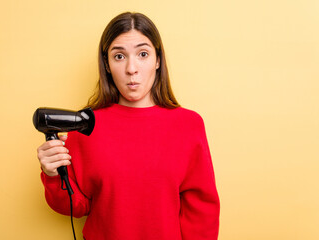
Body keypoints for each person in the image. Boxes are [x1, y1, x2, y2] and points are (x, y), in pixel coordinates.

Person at [37, 12, 220, 240]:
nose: (131, 69)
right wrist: (53, 174)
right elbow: (76, 206)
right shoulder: (85, 125)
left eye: (143, 54)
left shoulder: (188, 124)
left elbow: (202, 211)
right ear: (106, 64)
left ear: (157, 60)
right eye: (119, 56)